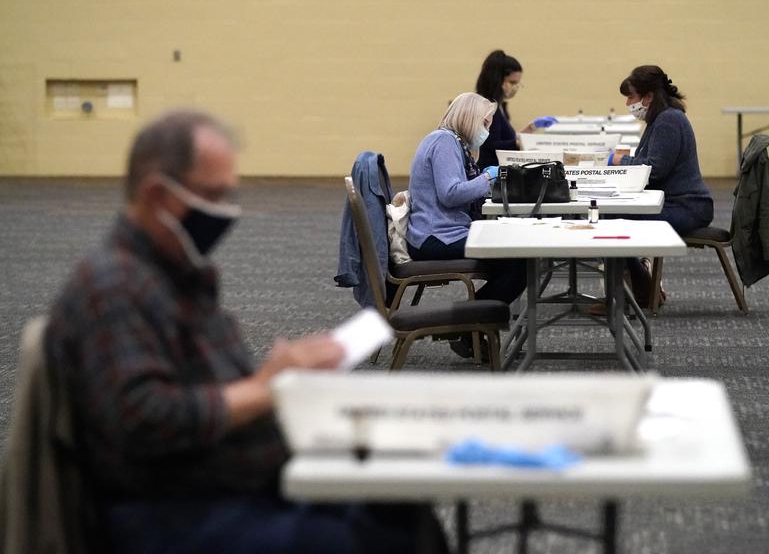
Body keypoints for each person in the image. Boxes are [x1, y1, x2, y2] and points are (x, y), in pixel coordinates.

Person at [43, 110, 449, 554]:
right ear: (157, 194)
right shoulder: (114, 285)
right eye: (212, 196)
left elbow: (219, 387)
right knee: (363, 535)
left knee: (400, 507)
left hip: (228, 482)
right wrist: (266, 385)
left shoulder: (172, 272)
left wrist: (288, 374)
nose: (225, 212)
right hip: (173, 508)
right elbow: (146, 418)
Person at [406, 93, 526, 358]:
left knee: (512, 259)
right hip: (436, 236)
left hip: (445, 230)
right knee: (517, 264)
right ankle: (464, 326)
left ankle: (470, 330)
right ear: (470, 118)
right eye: (485, 124)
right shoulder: (444, 142)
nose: (487, 130)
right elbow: (451, 193)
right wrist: (487, 178)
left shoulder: (452, 143)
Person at [608, 65, 715, 304]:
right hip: (675, 202)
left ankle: (636, 287)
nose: (628, 103)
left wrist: (618, 160)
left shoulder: (668, 121)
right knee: (610, 215)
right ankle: (637, 286)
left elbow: (654, 170)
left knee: (611, 221)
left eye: (631, 97)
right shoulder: (661, 118)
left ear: (648, 96)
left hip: (687, 207)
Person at [474, 49, 557, 169]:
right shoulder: (487, 106)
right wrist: (525, 142)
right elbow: (492, 145)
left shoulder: (500, 106)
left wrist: (532, 127)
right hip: (488, 171)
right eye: (512, 82)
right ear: (498, 80)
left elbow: (508, 139)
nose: (515, 87)